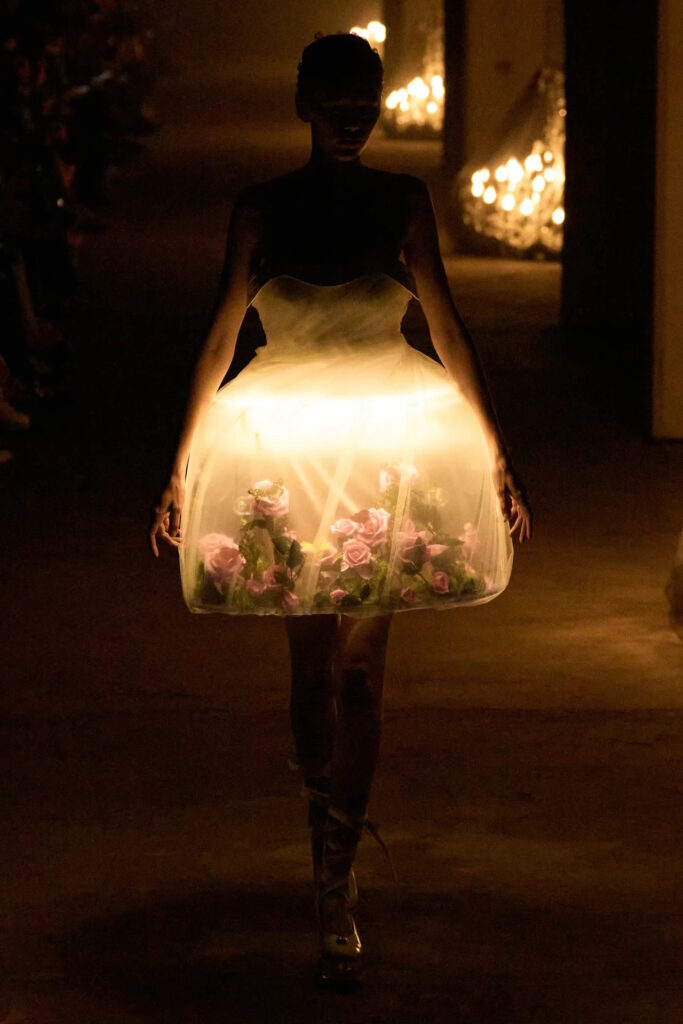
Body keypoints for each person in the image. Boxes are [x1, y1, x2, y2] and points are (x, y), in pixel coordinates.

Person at [149, 32, 532, 986]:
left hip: (389, 442)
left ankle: (336, 878)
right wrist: (181, 464)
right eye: (335, 101)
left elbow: (446, 325)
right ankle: (324, 836)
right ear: (305, 106)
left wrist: (495, 452)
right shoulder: (261, 207)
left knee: (359, 676)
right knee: (311, 674)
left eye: (364, 101)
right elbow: (219, 336)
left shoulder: (401, 201)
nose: (351, 118)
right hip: (283, 445)